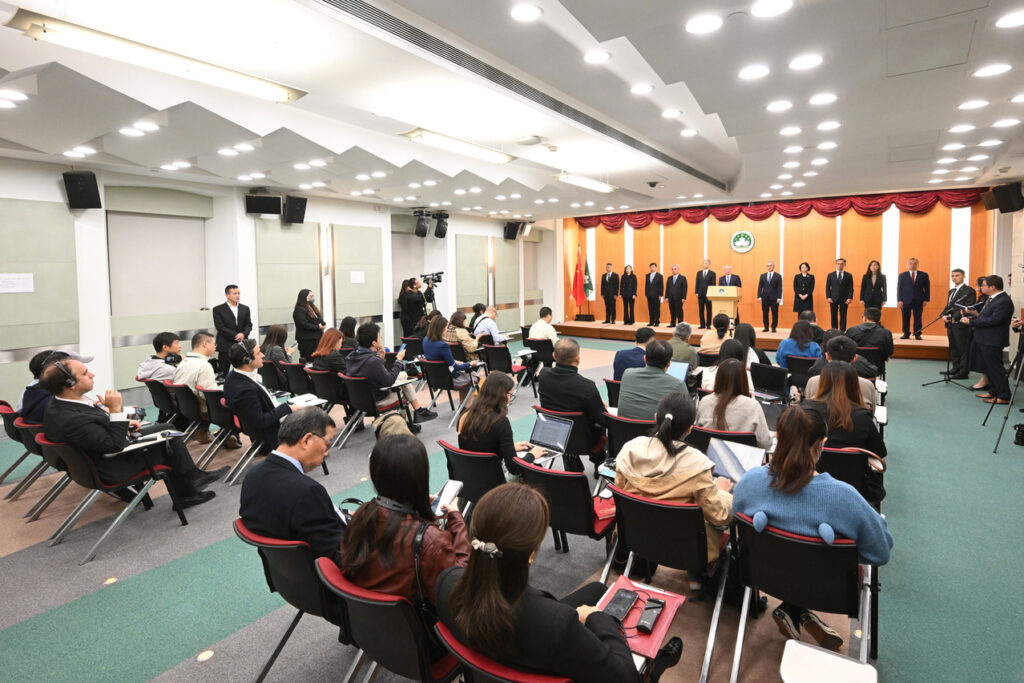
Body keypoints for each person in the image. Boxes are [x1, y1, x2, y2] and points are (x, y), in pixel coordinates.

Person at [436, 483, 681, 683]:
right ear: (531, 553)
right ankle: (652, 671)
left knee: (598, 589)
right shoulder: (558, 625)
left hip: (502, 652)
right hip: (542, 641)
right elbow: (624, 678)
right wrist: (598, 619)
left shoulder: (446, 584)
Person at [733, 405, 892, 651]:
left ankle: (793, 607)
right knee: (810, 562)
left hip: (767, 575)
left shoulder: (749, 482)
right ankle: (798, 608)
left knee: (792, 555)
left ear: (777, 437)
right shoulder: (843, 497)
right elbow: (880, 551)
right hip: (827, 588)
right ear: (822, 443)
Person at [40, 358, 223, 508]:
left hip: (98, 457)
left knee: (166, 428)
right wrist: (116, 411)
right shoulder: (72, 419)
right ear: (70, 383)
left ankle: (191, 478)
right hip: (112, 467)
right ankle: (187, 490)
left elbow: (94, 434)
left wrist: (123, 423)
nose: (92, 374)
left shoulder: (59, 406)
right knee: (168, 442)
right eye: (85, 373)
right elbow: (115, 445)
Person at [341, 434, 470, 604]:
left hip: (370, 622)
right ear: (419, 476)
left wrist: (422, 515)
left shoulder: (361, 515)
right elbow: (457, 587)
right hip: (421, 625)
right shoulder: (429, 540)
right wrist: (456, 520)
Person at [615, 391, 733, 563]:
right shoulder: (698, 464)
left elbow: (620, 492)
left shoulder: (629, 449)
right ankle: (698, 581)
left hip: (636, 536)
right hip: (685, 549)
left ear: (656, 417)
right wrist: (723, 493)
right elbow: (719, 516)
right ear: (690, 429)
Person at [239, 408, 344, 563]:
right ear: (307, 440)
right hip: (326, 575)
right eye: (327, 445)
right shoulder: (307, 491)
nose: (326, 453)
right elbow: (336, 555)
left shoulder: (252, 476)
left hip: (292, 574)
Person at [345, 322, 438, 425]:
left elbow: (372, 373)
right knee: (403, 391)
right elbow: (389, 381)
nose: (381, 339)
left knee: (402, 376)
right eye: (380, 337)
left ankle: (416, 413)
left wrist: (380, 359)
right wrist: (399, 360)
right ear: (374, 343)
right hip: (377, 401)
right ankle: (407, 423)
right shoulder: (372, 361)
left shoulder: (351, 357)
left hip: (359, 400)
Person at [458, 372, 544, 476]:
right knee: (537, 469)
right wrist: (532, 455)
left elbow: (477, 446)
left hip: (469, 478)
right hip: (493, 483)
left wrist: (509, 448)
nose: (509, 401)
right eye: (510, 395)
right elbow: (514, 468)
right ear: (502, 395)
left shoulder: (465, 415)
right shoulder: (501, 422)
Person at [538, 338, 607, 461]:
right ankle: (598, 459)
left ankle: (570, 458)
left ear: (554, 356)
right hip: (583, 440)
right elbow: (602, 419)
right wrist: (601, 406)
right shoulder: (586, 386)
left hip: (551, 434)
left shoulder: (543, 375)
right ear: (578, 358)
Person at [222, 339, 296, 451]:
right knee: (315, 417)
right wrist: (287, 408)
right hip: (273, 434)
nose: (262, 355)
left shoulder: (232, 377)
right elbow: (260, 421)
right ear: (246, 359)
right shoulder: (245, 390)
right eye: (258, 353)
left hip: (265, 428)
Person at [805, 362, 886, 456]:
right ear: (855, 384)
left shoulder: (805, 411)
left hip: (810, 468)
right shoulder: (862, 416)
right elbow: (880, 452)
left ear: (821, 382)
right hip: (854, 469)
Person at [695, 358, 772, 448]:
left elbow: (698, 435)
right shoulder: (753, 406)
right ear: (743, 380)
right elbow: (765, 443)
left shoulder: (705, 401)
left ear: (718, 378)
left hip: (709, 459)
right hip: (743, 460)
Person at [962, 275, 1014, 404]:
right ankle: (994, 391)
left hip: (993, 339)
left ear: (992, 287)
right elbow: (986, 317)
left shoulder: (1003, 301)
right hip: (985, 338)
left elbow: (995, 320)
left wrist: (972, 322)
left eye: (983, 285)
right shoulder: (993, 299)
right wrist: (973, 319)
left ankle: (1004, 396)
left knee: (995, 368)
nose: (981, 287)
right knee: (989, 367)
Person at [173, 331, 223, 445]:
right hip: (202, 409)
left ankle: (205, 431)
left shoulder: (183, 362)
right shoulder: (204, 365)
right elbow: (209, 395)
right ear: (205, 344)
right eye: (214, 344)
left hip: (187, 408)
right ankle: (229, 435)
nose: (215, 347)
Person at [618, 340, 687, 420]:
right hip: (656, 431)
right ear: (669, 364)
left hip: (623, 431)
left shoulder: (627, 374)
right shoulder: (678, 385)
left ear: (645, 358)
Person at [804, 337, 879, 408]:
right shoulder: (868, 386)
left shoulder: (812, 382)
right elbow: (871, 415)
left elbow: (809, 411)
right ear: (855, 358)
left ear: (827, 356)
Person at [423, 315, 478, 399]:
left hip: (435, 378)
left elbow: (439, 360)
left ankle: (462, 406)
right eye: (446, 327)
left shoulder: (425, 340)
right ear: (441, 329)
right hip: (449, 379)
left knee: (467, 376)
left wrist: (457, 362)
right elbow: (454, 368)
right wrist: (469, 364)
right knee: (474, 377)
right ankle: (465, 407)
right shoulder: (443, 345)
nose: (447, 329)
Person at [940, 269, 976, 380]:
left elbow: (968, 307)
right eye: (952, 276)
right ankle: (955, 368)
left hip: (961, 324)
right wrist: (943, 315)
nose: (954, 278)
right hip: (950, 324)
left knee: (962, 348)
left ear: (964, 276)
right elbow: (948, 306)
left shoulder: (969, 291)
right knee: (954, 347)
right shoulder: (951, 291)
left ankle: (963, 371)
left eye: (957, 275)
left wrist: (954, 317)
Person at [213, 284, 252, 373]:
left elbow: (249, 325)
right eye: (234, 293)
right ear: (227, 295)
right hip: (225, 345)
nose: (237, 295)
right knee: (224, 371)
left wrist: (243, 334)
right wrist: (236, 335)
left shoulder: (245, 308)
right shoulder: (218, 309)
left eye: (238, 293)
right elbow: (220, 327)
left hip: (242, 344)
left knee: (243, 370)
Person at [845, 307, 895, 374]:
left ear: (864, 318)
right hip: (877, 369)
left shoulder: (851, 331)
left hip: (854, 368)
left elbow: (845, 350)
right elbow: (889, 352)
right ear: (879, 319)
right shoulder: (886, 333)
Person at [807, 335, 878, 379]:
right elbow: (873, 371)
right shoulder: (866, 386)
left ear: (827, 356)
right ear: (855, 358)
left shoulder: (814, 381)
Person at [897, 258, 930, 340]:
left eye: (915, 263)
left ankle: (917, 333)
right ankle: (906, 333)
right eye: (910, 263)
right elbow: (899, 288)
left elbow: (927, 288)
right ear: (908, 265)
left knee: (918, 317)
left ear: (918, 264)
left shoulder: (924, 275)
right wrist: (899, 300)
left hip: (919, 300)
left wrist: (926, 299)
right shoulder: (902, 275)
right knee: (905, 317)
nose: (913, 265)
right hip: (905, 300)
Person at [293, 288, 326, 359]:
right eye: (310, 296)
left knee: (317, 359)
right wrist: (317, 327)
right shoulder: (299, 309)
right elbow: (303, 324)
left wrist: (322, 323)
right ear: (304, 297)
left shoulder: (312, 307)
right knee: (309, 359)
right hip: (307, 340)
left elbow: (317, 319)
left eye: (313, 296)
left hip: (316, 338)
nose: (312, 298)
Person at [825, 258, 854, 332]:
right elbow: (827, 287)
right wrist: (828, 297)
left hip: (844, 298)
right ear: (836, 264)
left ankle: (842, 331)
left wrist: (850, 298)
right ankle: (834, 331)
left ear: (845, 265)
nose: (840, 265)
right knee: (833, 315)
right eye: (838, 263)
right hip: (833, 298)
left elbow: (851, 288)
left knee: (843, 316)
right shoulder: (830, 275)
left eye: (842, 264)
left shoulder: (849, 275)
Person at [757, 260, 783, 333]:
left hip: (774, 298)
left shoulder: (778, 276)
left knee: (775, 313)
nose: (769, 267)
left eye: (770, 265)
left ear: (773, 266)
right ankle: (766, 327)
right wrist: (759, 296)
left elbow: (780, 287)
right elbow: (760, 287)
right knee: (765, 313)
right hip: (764, 298)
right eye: (767, 266)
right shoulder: (763, 276)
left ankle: (774, 327)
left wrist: (779, 297)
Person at [664, 263, 688, 327]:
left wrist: (684, 297)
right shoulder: (669, 278)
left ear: (678, 269)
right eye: (672, 269)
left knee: (679, 311)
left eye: (675, 269)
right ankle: (672, 323)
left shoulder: (683, 278)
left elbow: (685, 288)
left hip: (679, 298)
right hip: (671, 297)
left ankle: (680, 324)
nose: (673, 270)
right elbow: (667, 288)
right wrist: (666, 297)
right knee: (672, 311)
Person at [695, 259, 717, 328]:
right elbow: (697, 283)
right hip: (700, 294)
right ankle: (702, 324)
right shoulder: (698, 273)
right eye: (703, 263)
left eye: (706, 263)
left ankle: (708, 324)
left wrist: (712, 293)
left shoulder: (712, 273)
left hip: (708, 294)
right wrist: (696, 292)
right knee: (701, 310)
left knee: (708, 310)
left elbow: (713, 285)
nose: (704, 264)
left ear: (709, 264)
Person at [645, 262, 664, 326]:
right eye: (651, 267)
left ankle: (657, 322)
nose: (652, 268)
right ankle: (651, 322)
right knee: (650, 309)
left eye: (653, 267)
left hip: (656, 295)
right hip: (649, 295)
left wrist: (660, 295)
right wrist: (646, 294)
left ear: (656, 268)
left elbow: (661, 286)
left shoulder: (659, 276)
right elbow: (646, 285)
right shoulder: (647, 275)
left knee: (656, 309)